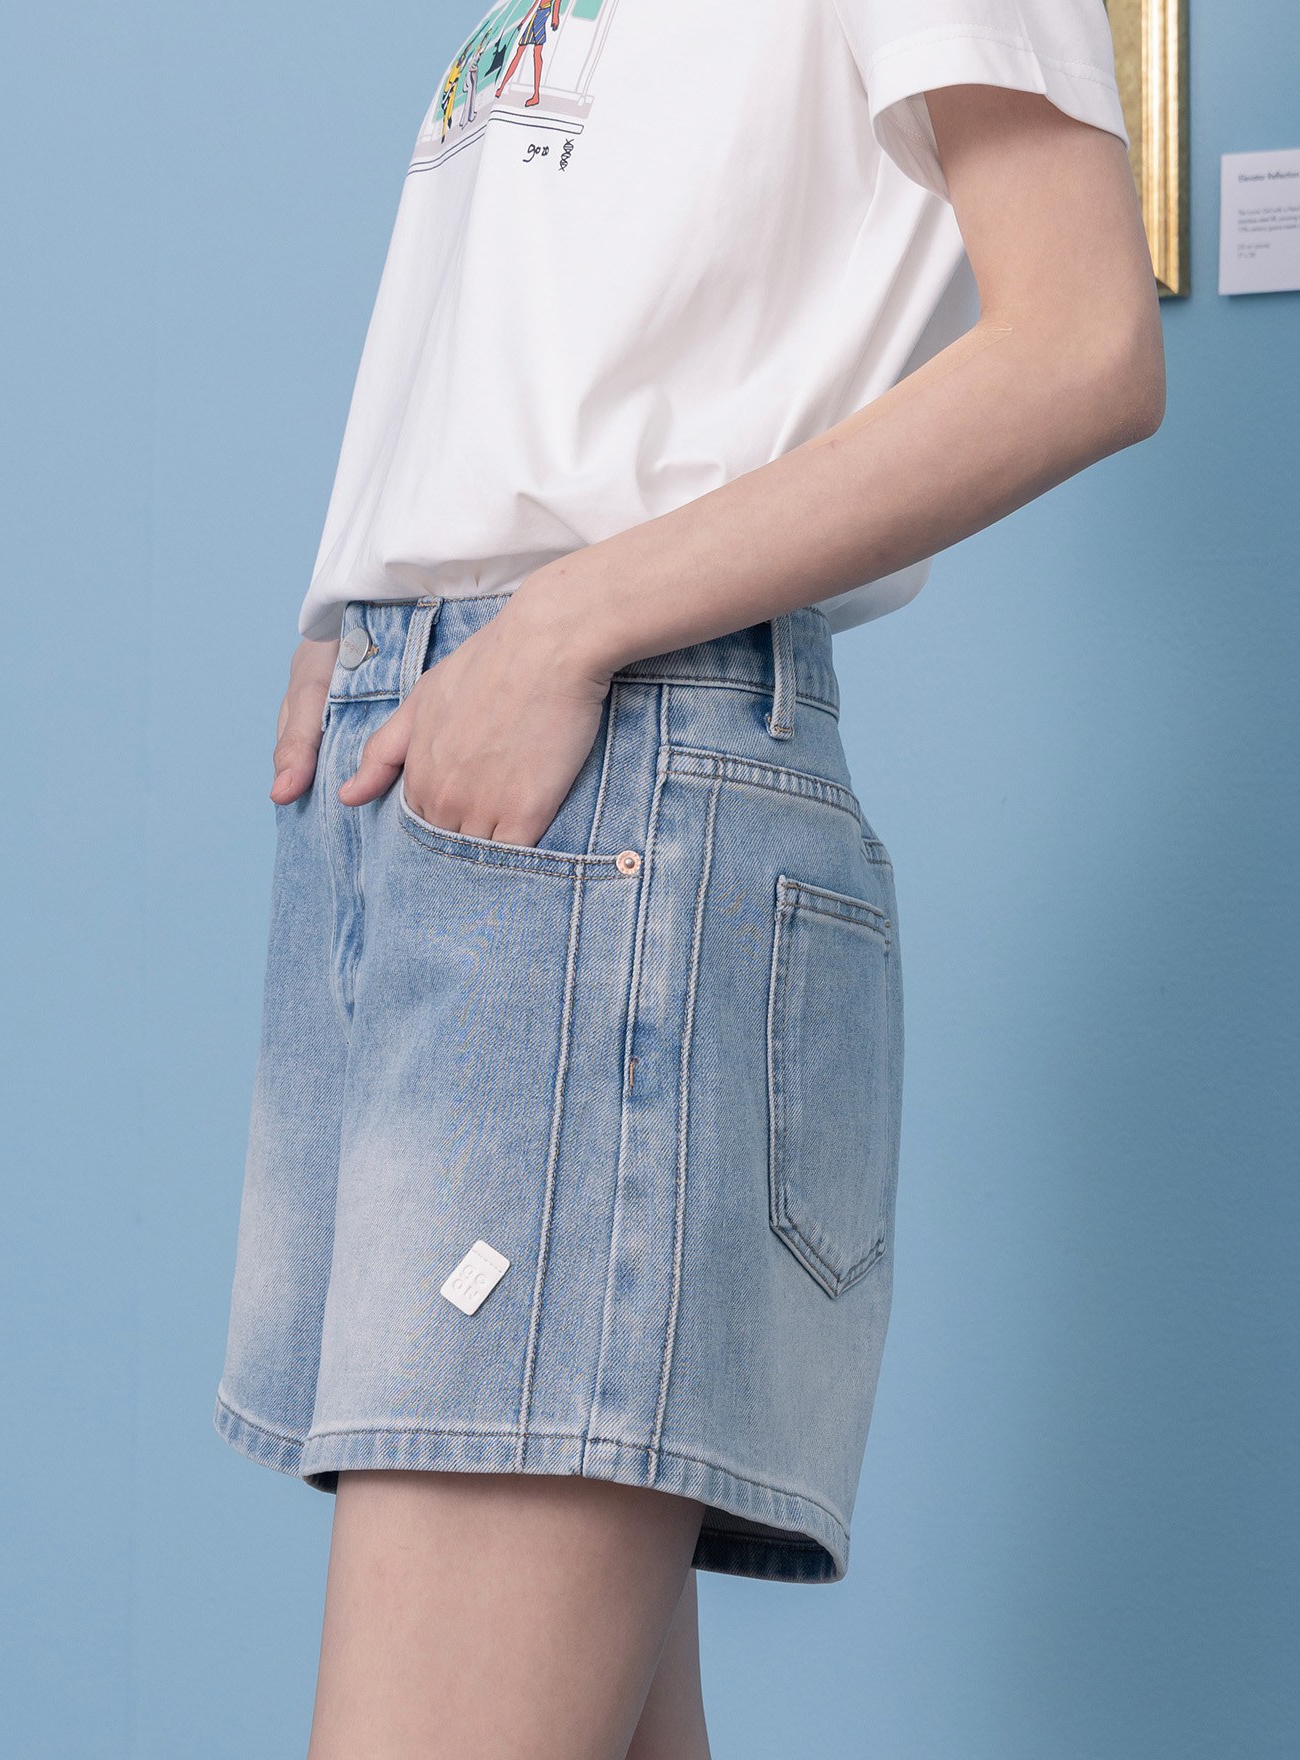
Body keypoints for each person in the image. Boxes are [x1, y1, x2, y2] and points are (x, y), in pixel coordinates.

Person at [214, 1, 1165, 1754]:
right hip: (448, 787)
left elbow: (1084, 339)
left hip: (609, 797)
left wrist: (560, 623)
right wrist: (357, 613)